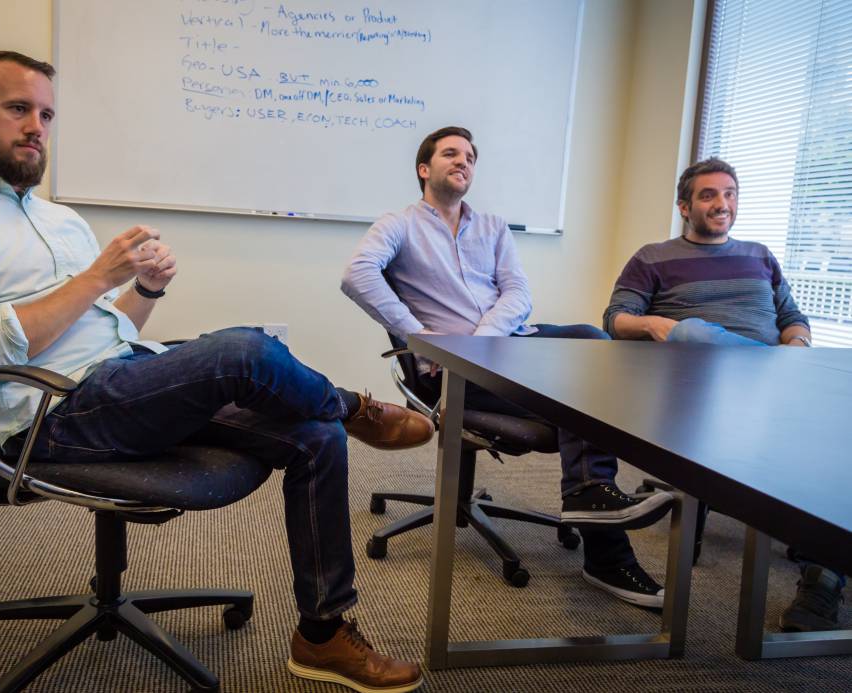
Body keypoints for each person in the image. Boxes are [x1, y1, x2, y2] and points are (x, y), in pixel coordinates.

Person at [0, 51, 432, 693]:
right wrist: (96, 278)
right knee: (243, 350)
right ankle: (354, 405)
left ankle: (323, 635)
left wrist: (143, 290)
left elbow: (108, 329)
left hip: (122, 381)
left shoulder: (58, 219)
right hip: (53, 416)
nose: (37, 126)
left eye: (48, 114)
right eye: (19, 109)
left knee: (314, 437)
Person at [341, 126, 674, 609]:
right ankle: (605, 547)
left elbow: (518, 292)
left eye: (471, 156)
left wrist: (483, 340)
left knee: (593, 342)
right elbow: (357, 275)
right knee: (576, 396)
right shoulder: (398, 225)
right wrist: (418, 334)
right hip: (456, 373)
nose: (464, 161)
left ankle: (589, 497)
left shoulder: (493, 227)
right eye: (451, 153)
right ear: (424, 169)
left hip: (506, 349)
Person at [604, 156, 846, 632]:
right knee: (693, 333)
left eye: (730, 194)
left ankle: (824, 578)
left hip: (774, 383)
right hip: (701, 391)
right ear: (684, 205)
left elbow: (794, 318)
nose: (722, 204)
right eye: (709, 195)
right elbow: (615, 319)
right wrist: (658, 323)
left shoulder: (759, 254)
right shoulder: (653, 257)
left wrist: (795, 346)